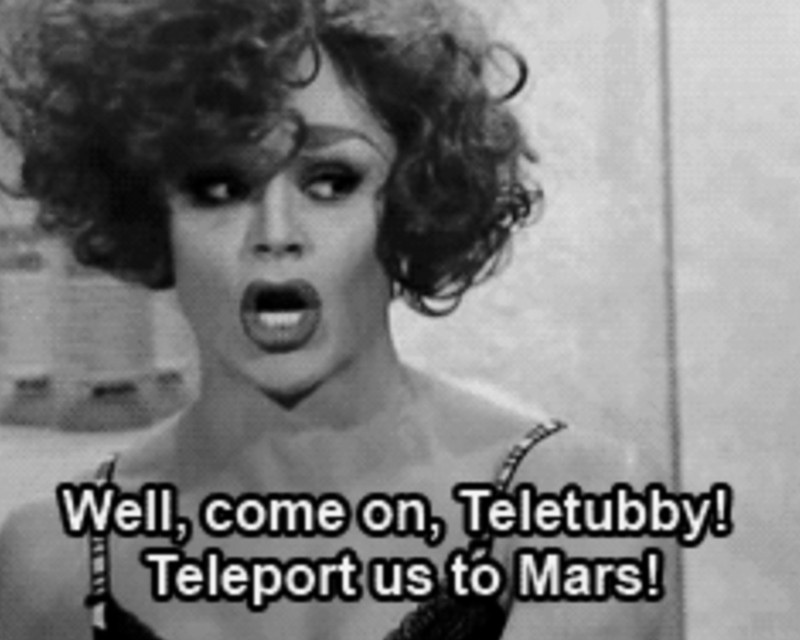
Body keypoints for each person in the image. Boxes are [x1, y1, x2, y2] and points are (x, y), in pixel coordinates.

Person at [0, 0, 675, 638]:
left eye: (331, 182)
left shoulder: (578, 503)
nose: (275, 234)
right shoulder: (52, 559)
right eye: (219, 188)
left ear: (412, 201)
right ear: (150, 215)